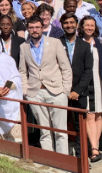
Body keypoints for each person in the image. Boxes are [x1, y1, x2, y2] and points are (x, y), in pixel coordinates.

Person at [19, 15, 73, 153]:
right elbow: (22, 71)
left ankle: (63, 161)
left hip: (56, 91)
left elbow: (65, 67)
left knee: (60, 130)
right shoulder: (23, 47)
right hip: (35, 93)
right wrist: (25, 92)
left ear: (42, 28)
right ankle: (50, 160)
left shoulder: (55, 43)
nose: (35, 30)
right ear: (27, 29)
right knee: (44, 130)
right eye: (31, 27)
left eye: (37, 27)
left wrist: (65, 91)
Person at [59, 11, 94, 157]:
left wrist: (78, 91)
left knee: (80, 126)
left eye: (72, 22)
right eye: (66, 23)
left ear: (77, 24)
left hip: (80, 92)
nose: (69, 25)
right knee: (60, 123)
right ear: (62, 25)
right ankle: (62, 155)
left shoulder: (85, 46)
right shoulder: (56, 43)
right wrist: (65, 90)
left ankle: (81, 156)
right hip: (61, 91)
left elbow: (88, 70)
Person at [80, 15, 102, 162]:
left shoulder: (100, 42)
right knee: (89, 115)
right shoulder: (78, 43)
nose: (89, 28)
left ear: (95, 28)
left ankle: (95, 146)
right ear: (81, 27)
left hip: (99, 83)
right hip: (85, 84)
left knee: (99, 114)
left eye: (92, 25)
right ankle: (94, 148)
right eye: (87, 25)